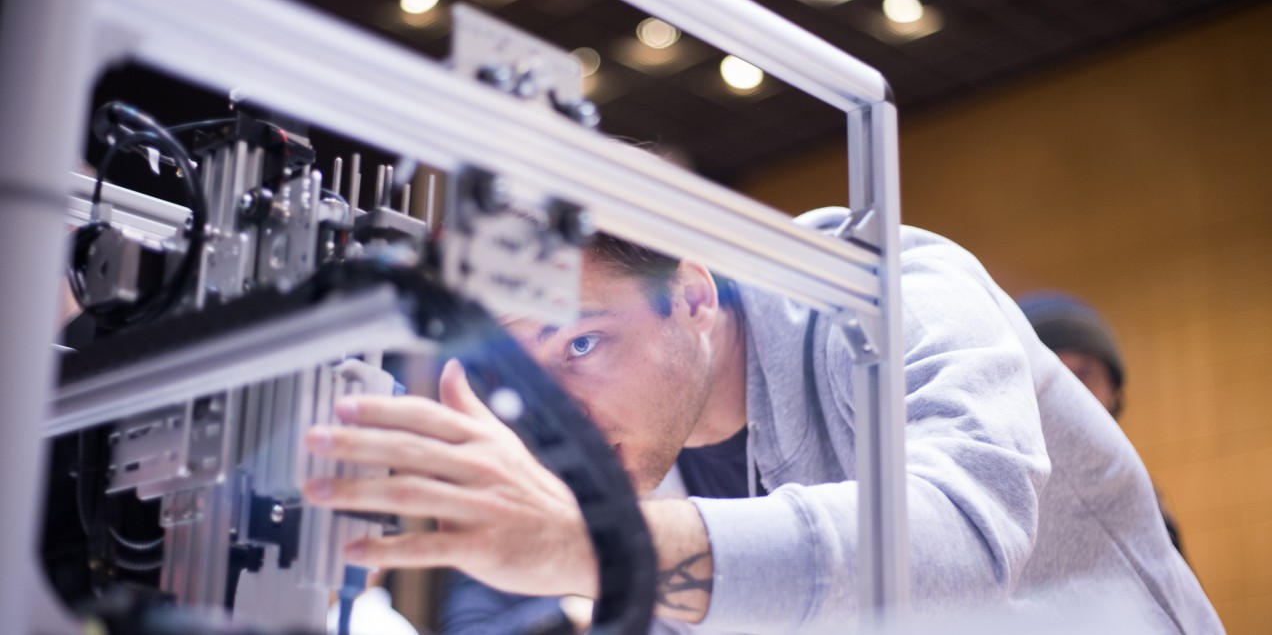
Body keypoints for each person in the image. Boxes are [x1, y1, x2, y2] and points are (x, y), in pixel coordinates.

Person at [299, 209, 1221, 632]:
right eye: (531, 372)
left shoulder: (890, 285)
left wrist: (595, 546)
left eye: (580, 346)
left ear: (692, 294)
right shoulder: (651, 454)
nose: (555, 412)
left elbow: (968, 536)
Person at [1017, 292, 1186, 556]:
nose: (1070, 393)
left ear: (1113, 394)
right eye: (1051, 377)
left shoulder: (1143, 503)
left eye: (1084, 374)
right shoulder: (1000, 507)